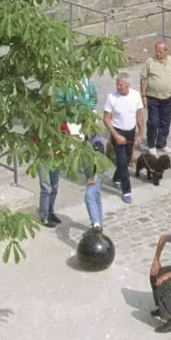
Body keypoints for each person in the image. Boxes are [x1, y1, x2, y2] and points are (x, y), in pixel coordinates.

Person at [62, 77, 104, 230]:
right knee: (96, 196)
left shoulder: (97, 142)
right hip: (88, 170)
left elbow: (100, 163)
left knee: (89, 196)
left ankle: (96, 224)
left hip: (96, 172)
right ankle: (99, 221)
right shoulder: (83, 138)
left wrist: (94, 177)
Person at [102, 73, 146, 205]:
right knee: (121, 160)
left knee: (125, 161)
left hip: (130, 132)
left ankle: (116, 178)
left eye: (121, 84)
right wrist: (116, 135)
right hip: (117, 132)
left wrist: (140, 135)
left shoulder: (135, 95)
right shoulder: (111, 97)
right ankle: (127, 191)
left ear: (128, 85)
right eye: (117, 84)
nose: (118, 87)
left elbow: (139, 116)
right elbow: (106, 118)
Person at [141, 41, 171, 155]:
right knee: (153, 122)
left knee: (165, 121)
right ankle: (151, 145)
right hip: (153, 97)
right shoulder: (150, 61)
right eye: (156, 51)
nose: (157, 53)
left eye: (160, 51)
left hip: (168, 97)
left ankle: (161, 143)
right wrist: (143, 95)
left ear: (166, 51)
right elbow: (143, 78)